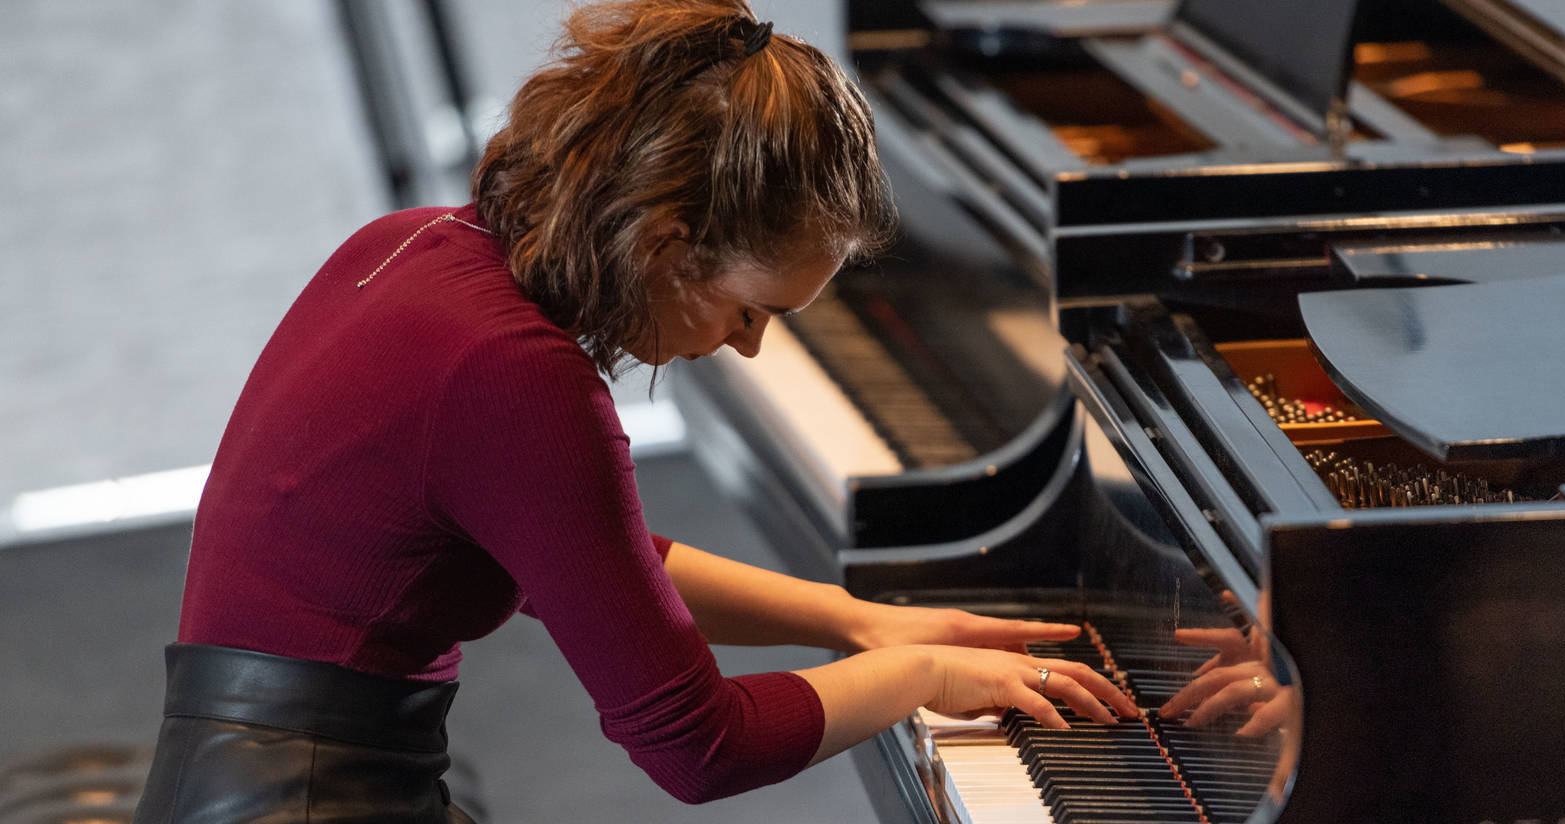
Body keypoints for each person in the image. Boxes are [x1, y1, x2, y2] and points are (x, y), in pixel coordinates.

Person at [130, 2, 1136, 821]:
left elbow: (590, 553)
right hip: (307, 800)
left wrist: (856, 618)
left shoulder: (418, 244)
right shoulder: (517, 373)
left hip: (256, 777)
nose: (748, 345)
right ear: (664, 240)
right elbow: (703, 749)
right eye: (751, 310)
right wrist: (918, 675)